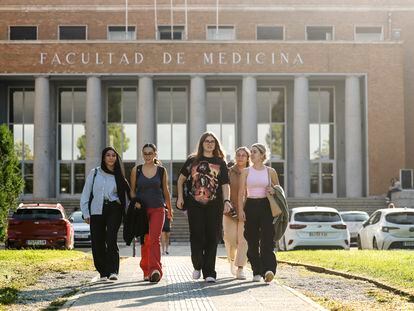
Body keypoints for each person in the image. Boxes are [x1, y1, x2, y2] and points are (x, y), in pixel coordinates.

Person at [176, 132, 232, 283]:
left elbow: (226, 184)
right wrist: (180, 197)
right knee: (197, 235)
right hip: (194, 205)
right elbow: (180, 179)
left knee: (212, 237)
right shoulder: (192, 160)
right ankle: (198, 264)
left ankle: (209, 272)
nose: (209, 143)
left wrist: (227, 201)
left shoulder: (220, 162)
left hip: (215, 205)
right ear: (202, 143)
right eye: (206, 141)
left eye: (212, 141)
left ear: (216, 144)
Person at [80, 147, 130, 281]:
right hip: (96, 209)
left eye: (113, 155)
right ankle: (103, 271)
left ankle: (113, 271)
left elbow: (126, 196)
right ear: (103, 157)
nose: (111, 157)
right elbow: (86, 193)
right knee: (97, 241)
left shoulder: (119, 176)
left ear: (116, 158)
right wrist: (86, 213)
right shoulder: (95, 173)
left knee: (111, 238)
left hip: (114, 208)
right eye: (108, 155)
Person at [130, 143, 173, 283]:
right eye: (145, 153)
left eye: (150, 153)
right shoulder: (136, 170)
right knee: (145, 240)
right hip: (142, 210)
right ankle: (146, 270)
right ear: (142, 154)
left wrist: (170, 209)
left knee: (155, 239)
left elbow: (166, 191)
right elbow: (132, 190)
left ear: (155, 154)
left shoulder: (161, 170)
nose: (147, 156)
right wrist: (134, 201)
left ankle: (155, 270)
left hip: (158, 209)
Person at [238, 143, 279, 284]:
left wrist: (274, 190)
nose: (251, 154)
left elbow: (278, 190)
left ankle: (269, 270)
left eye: (254, 152)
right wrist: (241, 210)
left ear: (262, 155)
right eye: (251, 152)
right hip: (250, 205)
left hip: (266, 206)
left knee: (267, 239)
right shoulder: (246, 171)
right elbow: (240, 194)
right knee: (252, 240)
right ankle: (256, 270)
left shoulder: (270, 171)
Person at [223, 147, 249, 280]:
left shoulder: (251, 172)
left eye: (243, 155)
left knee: (243, 240)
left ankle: (240, 268)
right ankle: (232, 259)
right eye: (238, 155)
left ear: (247, 158)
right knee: (229, 237)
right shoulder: (229, 172)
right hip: (230, 210)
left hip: (246, 210)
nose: (240, 157)